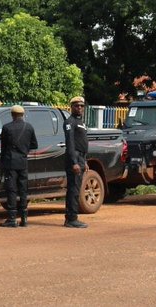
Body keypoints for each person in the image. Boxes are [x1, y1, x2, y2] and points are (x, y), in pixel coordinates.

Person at [0, 105, 38, 228]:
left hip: (10, 162)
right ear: (23, 114)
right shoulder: (29, 127)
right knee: (23, 189)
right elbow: (34, 145)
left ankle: (11, 218)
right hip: (23, 162)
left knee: (11, 190)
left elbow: (3, 147)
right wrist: (24, 149)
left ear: (12, 114)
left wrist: (2, 162)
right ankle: (24, 219)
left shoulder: (6, 128)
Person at [63, 96, 89, 228]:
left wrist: (84, 161)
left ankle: (71, 217)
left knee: (76, 189)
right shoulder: (70, 122)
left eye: (81, 106)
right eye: (76, 105)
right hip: (75, 158)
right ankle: (71, 218)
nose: (79, 108)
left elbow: (82, 142)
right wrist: (74, 162)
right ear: (71, 107)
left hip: (81, 158)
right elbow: (70, 143)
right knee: (73, 189)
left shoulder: (81, 122)